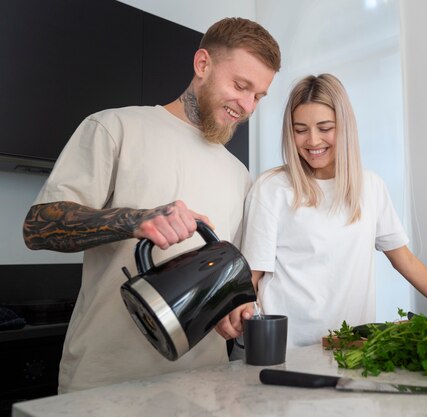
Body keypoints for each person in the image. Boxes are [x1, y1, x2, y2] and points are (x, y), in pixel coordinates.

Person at [22, 17, 281, 392]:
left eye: (258, 96)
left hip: (204, 389)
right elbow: (38, 227)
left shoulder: (239, 174)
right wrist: (135, 221)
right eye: (240, 86)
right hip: (106, 384)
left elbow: (224, 276)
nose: (247, 106)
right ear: (203, 64)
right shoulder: (115, 127)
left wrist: (232, 309)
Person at [216, 74, 427, 347]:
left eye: (325, 128)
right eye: (300, 129)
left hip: (351, 348)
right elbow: (253, 275)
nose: (313, 141)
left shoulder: (370, 187)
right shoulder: (271, 188)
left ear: (345, 127)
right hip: (286, 351)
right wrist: (234, 313)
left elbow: (404, 260)